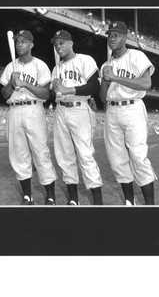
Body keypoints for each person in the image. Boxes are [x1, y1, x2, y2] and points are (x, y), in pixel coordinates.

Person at [100, 21, 157, 205]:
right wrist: (105, 79)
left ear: (126, 37)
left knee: (138, 156)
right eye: (110, 35)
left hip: (133, 108)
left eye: (116, 35)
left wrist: (115, 77)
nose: (111, 38)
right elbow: (103, 97)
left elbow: (146, 83)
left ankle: (149, 203)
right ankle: (129, 201)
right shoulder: (106, 64)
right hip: (112, 110)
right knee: (117, 159)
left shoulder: (136, 56)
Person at [0, 29, 57, 205]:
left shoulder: (40, 65)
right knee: (18, 154)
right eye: (17, 41)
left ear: (31, 44)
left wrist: (24, 83)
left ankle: (51, 195)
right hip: (15, 110)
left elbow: (46, 94)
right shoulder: (10, 67)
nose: (19, 44)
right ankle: (27, 195)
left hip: (34, 109)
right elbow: (4, 94)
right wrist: (11, 82)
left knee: (41, 152)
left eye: (23, 41)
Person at [51, 29, 103, 205]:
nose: (58, 46)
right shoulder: (55, 68)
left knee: (85, 155)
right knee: (64, 156)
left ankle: (97, 201)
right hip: (61, 110)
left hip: (80, 109)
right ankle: (73, 199)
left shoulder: (84, 60)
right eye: (56, 44)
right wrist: (55, 90)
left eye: (61, 42)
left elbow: (94, 85)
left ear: (71, 43)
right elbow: (55, 94)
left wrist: (68, 89)